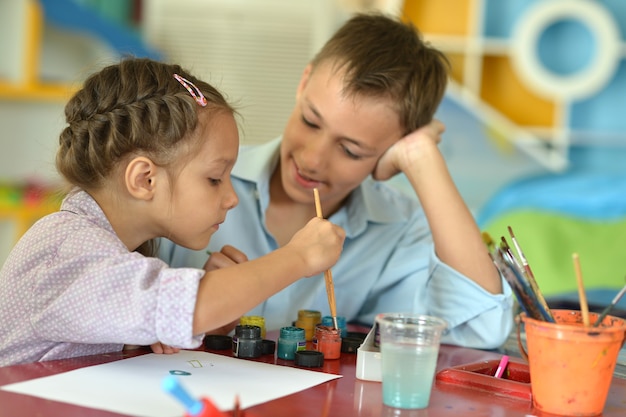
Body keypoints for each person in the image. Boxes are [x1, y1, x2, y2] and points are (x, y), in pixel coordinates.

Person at [160, 13, 514, 349]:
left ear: (394, 145)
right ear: (303, 83)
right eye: (311, 121)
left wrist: (422, 157)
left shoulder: (396, 231)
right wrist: (192, 298)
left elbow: (481, 326)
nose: (312, 158)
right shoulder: (191, 177)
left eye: (350, 150)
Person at [0, 58, 345, 367]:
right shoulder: (66, 250)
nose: (231, 198)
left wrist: (164, 323)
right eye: (214, 179)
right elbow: (195, 306)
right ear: (145, 179)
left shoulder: (109, 248)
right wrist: (299, 257)